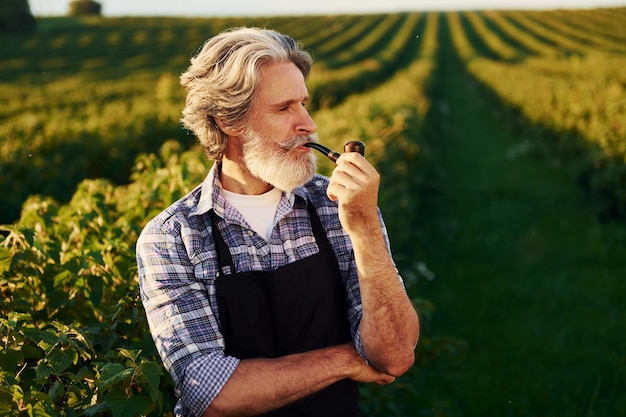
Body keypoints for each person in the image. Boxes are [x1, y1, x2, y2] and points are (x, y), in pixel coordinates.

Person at [136, 27, 419, 417]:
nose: (308, 123)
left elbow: (395, 355)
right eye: (284, 108)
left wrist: (365, 225)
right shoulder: (173, 237)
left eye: (303, 103)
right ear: (227, 122)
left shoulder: (334, 206)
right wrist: (342, 360)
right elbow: (211, 391)